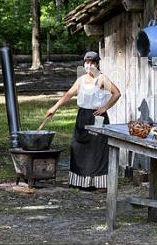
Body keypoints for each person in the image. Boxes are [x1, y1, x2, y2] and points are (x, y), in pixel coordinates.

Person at [45, 51, 121, 192]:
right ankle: (81, 181)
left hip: (97, 117)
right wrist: (54, 108)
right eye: (87, 63)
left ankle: (100, 184)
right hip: (82, 116)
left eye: (92, 63)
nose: (89, 66)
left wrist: (105, 107)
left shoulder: (102, 79)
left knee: (97, 149)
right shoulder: (81, 80)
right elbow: (68, 94)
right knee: (79, 146)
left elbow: (117, 93)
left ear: (97, 64)